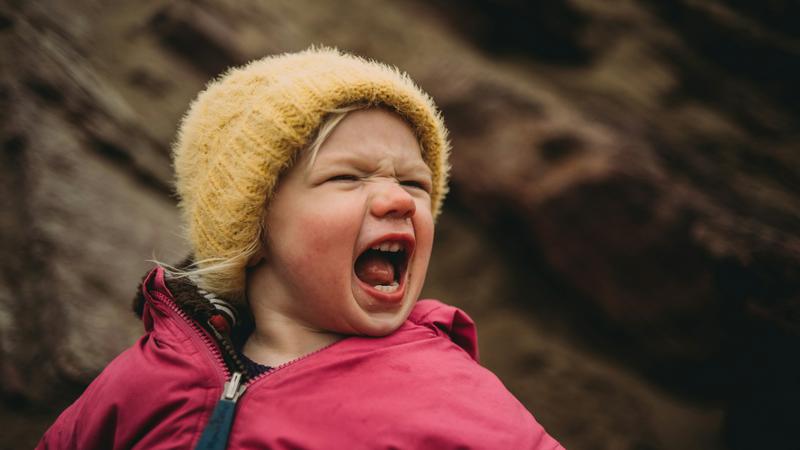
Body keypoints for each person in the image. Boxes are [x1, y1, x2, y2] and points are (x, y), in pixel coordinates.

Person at [37, 47, 563, 450]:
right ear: (251, 223)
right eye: (348, 177)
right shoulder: (141, 382)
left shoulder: (460, 401)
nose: (398, 200)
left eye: (416, 183)